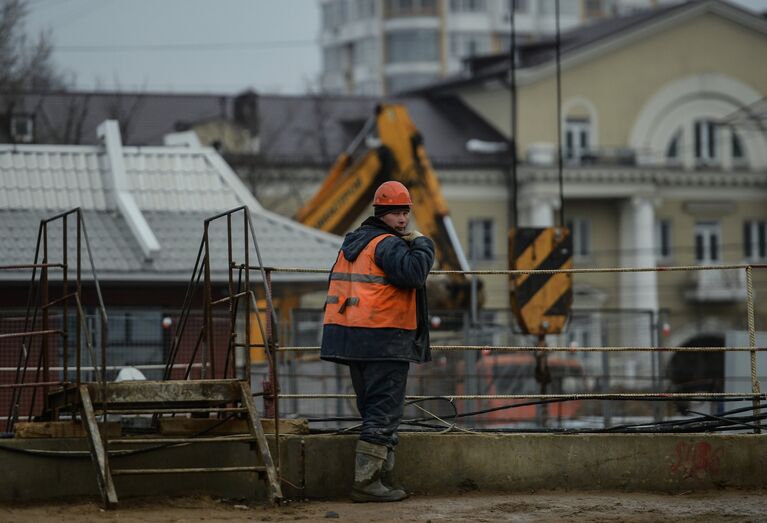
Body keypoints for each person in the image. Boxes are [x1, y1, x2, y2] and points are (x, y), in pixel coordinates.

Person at [320, 180, 435, 502]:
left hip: (353, 338)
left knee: (374, 409)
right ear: (382, 214)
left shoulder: (354, 243)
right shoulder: (387, 244)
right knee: (383, 412)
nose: (402, 220)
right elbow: (414, 274)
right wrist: (424, 244)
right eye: (396, 213)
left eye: (405, 213)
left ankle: (382, 477)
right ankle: (367, 483)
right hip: (384, 338)